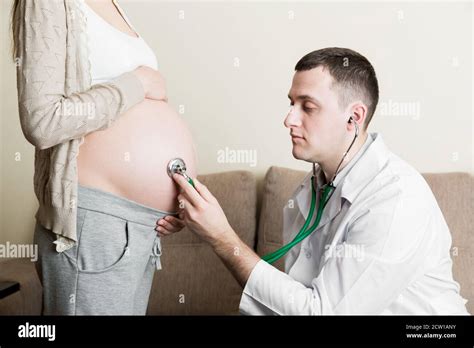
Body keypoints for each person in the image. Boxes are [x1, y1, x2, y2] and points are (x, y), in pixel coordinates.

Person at [171, 47, 469, 315]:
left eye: (307, 107)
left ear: (353, 118)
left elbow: (321, 314)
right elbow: (295, 300)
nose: (289, 119)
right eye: (291, 103)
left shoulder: (395, 201)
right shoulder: (313, 189)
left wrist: (222, 237)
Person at [12, 0, 193, 315]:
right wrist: (137, 83)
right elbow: (41, 121)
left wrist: (173, 196)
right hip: (95, 218)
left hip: (141, 226)